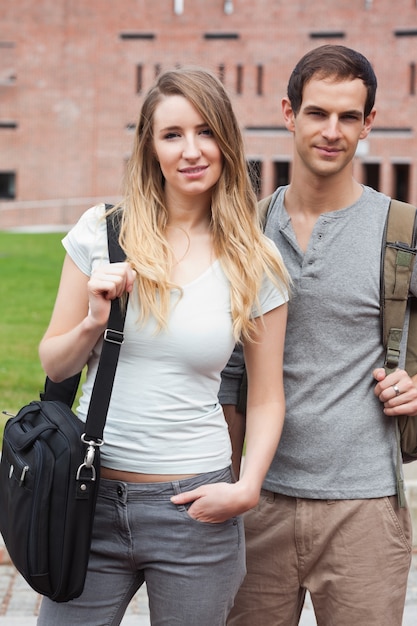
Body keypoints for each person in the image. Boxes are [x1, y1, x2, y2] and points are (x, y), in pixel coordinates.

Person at [37, 67, 290, 626]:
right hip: (89, 497)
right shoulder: (102, 233)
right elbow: (54, 361)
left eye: (205, 132)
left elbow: (268, 395)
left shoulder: (254, 260)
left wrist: (246, 487)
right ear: (150, 148)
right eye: (172, 134)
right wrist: (91, 324)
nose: (191, 151)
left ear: (226, 140)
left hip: (196, 510)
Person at [221, 45, 417, 626]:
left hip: (365, 509)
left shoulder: (401, 230)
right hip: (257, 502)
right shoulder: (246, 232)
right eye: (317, 113)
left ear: (368, 124)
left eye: (349, 117)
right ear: (289, 113)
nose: (332, 132)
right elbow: (223, 370)